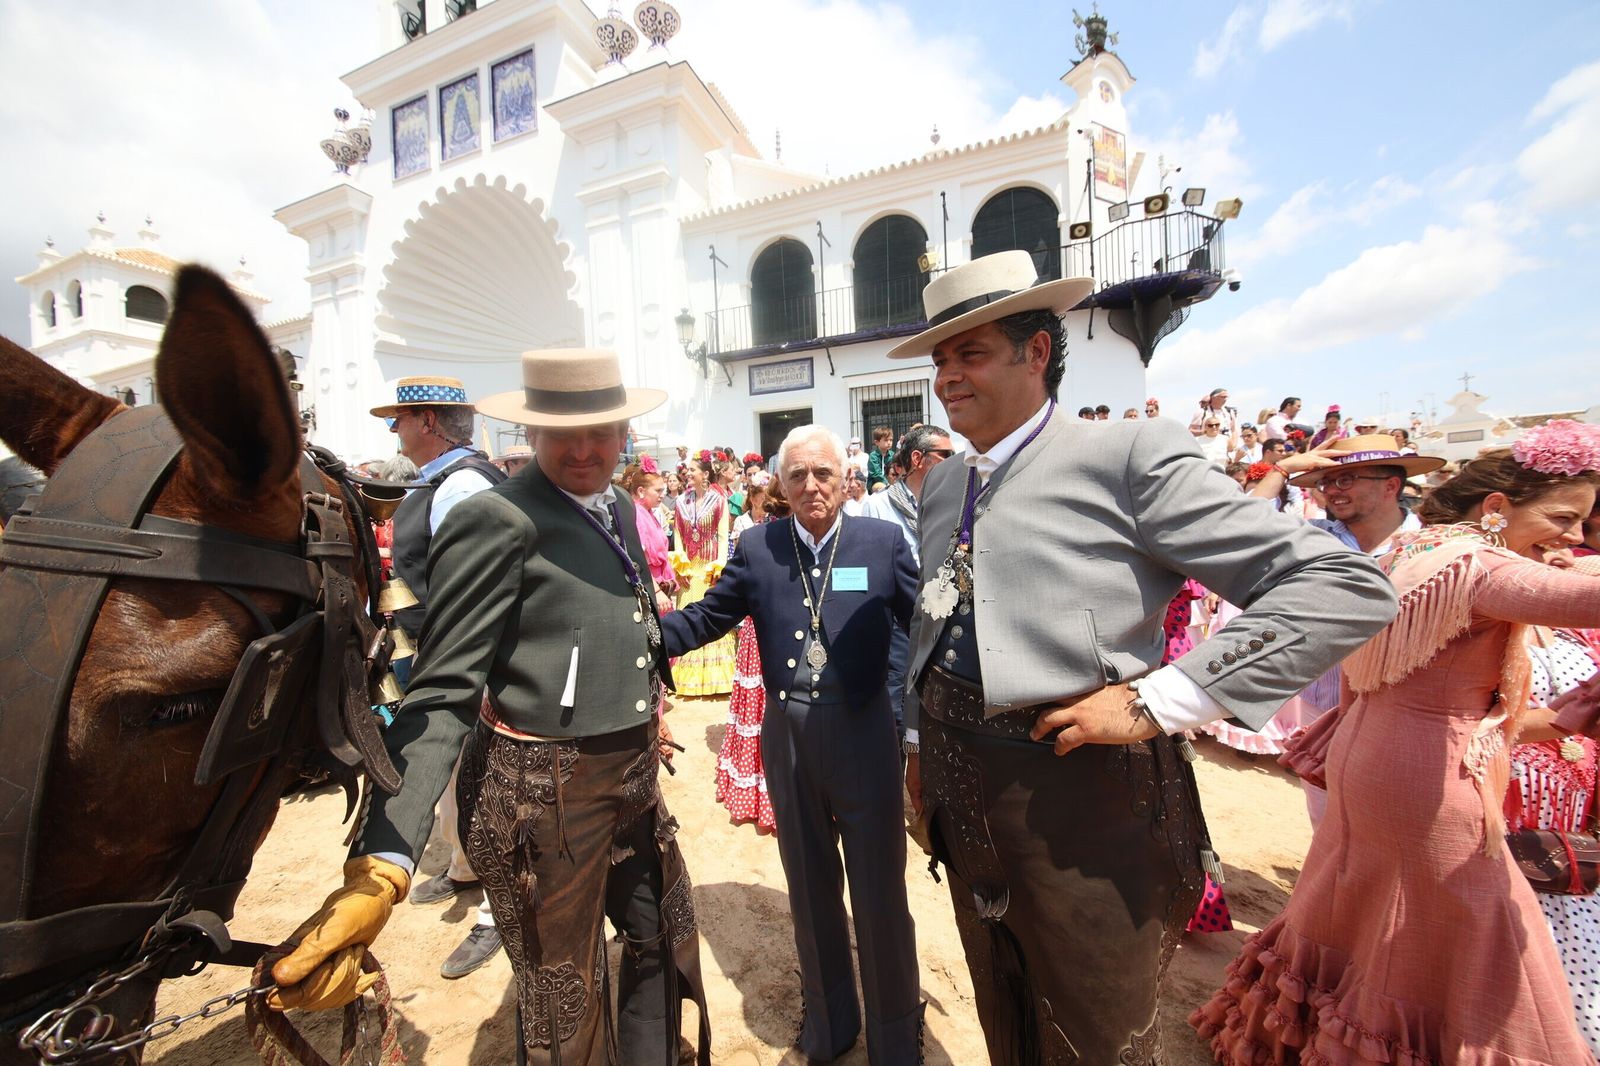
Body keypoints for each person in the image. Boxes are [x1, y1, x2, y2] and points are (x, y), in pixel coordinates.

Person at [883, 250, 1396, 1064]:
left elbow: (1340, 587)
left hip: (1082, 809)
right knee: (1004, 1010)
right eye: (940, 361)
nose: (947, 378)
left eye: (970, 354)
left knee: (1094, 1034)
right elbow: (932, 625)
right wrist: (918, 745)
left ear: (1037, 352)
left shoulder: (1126, 457)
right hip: (962, 798)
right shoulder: (942, 486)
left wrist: (1160, 699)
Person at [272, 348, 711, 1064]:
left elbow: (623, 624)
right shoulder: (496, 519)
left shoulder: (624, 508)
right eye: (561, 432)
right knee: (563, 995)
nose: (584, 449)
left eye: (601, 430)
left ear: (625, 432)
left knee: (661, 933)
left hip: (631, 785)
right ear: (530, 434)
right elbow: (442, 691)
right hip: (543, 800)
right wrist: (384, 861)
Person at [1194, 422, 1600, 1065]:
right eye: (1564, 517)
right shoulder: (1479, 568)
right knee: (1471, 928)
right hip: (1431, 780)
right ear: (1496, 508)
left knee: (1353, 907)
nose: (1574, 538)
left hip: (1370, 753)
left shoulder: (1410, 555)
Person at [662, 424, 922, 1062]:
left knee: (880, 892)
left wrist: (902, 710)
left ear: (845, 479)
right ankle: (831, 1024)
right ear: (780, 483)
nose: (812, 486)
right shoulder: (759, 545)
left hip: (865, 734)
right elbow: (708, 616)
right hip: (791, 736)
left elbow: (923, 628)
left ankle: (895, 1037)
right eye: (798, 474)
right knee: (808, 888)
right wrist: (640, 639)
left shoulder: (883, 542)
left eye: (823, 474)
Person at [370, 376, 509, 977]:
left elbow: (473, 597)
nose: (394, 431)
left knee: (488, 781)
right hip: (442, 660)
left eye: (398, 420)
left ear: (428, 421)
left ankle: (497, 915)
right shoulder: (442, 484)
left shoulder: (462, 488)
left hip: (468, 665)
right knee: (454, 777)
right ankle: (463, 868)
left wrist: (465, 677)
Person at [861, 424, 953, 736]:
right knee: (897, 707)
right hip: (898, 625)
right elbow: (865, 570)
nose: (953, 461)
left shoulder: (950, 505)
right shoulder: (877, 506)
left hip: (941, 617)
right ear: (918, 458)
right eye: (945, 455)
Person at [715, 477, 778, 832]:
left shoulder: (758, 537)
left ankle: (762, 790)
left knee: (759, 707)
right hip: (758, 632)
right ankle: (761, 792)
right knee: (759, 708)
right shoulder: (752, 537)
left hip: (759, 632)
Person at [672, 457, 735, 696]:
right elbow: (677, 533)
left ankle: (716, 680)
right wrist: (681, 565)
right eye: (688, 469)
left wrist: (719, 567)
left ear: (705, 474)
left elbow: (722, 537)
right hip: (690, 566)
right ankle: (688, 680)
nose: (688, 473)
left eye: (693, 470)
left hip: (709, 566)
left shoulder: (719, 501)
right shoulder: (681, 501)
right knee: (688, 613)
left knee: (710, 613)